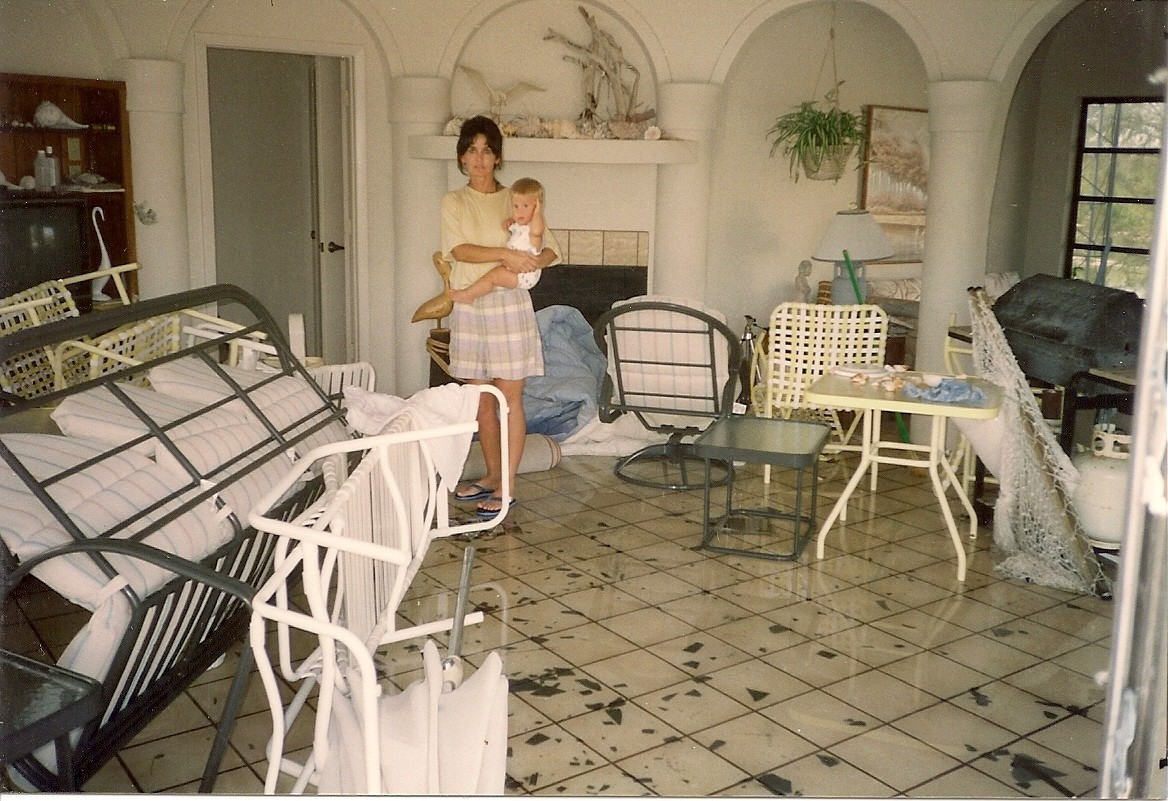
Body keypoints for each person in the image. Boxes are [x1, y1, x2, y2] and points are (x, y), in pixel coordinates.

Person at [441, 116, 561, 517]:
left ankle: (507, 487)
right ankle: (492, 476)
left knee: (509, 398)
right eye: (472, 149)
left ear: (497, 157)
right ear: (462, 156)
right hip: (472, 306)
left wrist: (531, 261)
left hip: (508, 304)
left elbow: (551, 249)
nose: (480, 158)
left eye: (487, 150)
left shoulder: (518, 195)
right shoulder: (453, 201)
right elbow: (459, 250)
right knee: (481, 399)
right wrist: (505, 254)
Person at [450, 177, 547, 305]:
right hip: (517, 270)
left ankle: (468, 294)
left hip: (524, 275)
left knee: (492, 277)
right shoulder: (521, 226)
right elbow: (513, 228)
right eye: (515, 206)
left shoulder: (534, 228)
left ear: (536, 207)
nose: (519, 211)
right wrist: (511, 222)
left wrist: (537, 213)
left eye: (525, 206)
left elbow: (537, 231)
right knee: (491, 277)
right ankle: (469, 293)